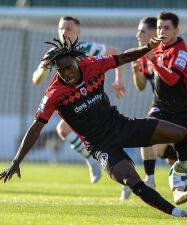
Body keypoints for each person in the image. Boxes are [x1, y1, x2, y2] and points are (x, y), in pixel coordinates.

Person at [0, 36, 187, 218]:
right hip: (101, 146)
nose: (67, 73)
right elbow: (36, 127)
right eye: (61, 71)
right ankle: (177, 213)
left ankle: (183, 166)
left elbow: (124, 57)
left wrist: (147, 48)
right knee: (133, 181)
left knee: (181, 134)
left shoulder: (91, 65)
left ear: (76, 61)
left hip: (122, 126)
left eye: (69, 67)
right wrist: (17, 161)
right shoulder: (54, 94)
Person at [121, 16, 187, 200]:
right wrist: (135, 69)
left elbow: (175, 78)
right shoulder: (154, 50)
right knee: (144, 131)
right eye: (159, 27)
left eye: (142, 31)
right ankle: (150, 179)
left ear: (175, 30)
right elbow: (140, 86)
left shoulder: (180, 51)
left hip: (182, 112)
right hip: (161, 107)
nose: (138, 35)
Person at [32, 16, 126, 184]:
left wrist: (119, 80)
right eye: (61, 28)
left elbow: (117, 52)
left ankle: (124, 176)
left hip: (94, 104)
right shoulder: (52, 54)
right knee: (64, 130)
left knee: (108, 143)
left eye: (68, 28)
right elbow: (36, 79)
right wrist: (44, 70)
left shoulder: (87, 48)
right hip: (75, 107)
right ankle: (93, 162)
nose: (64, 32)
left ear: (78, 32)